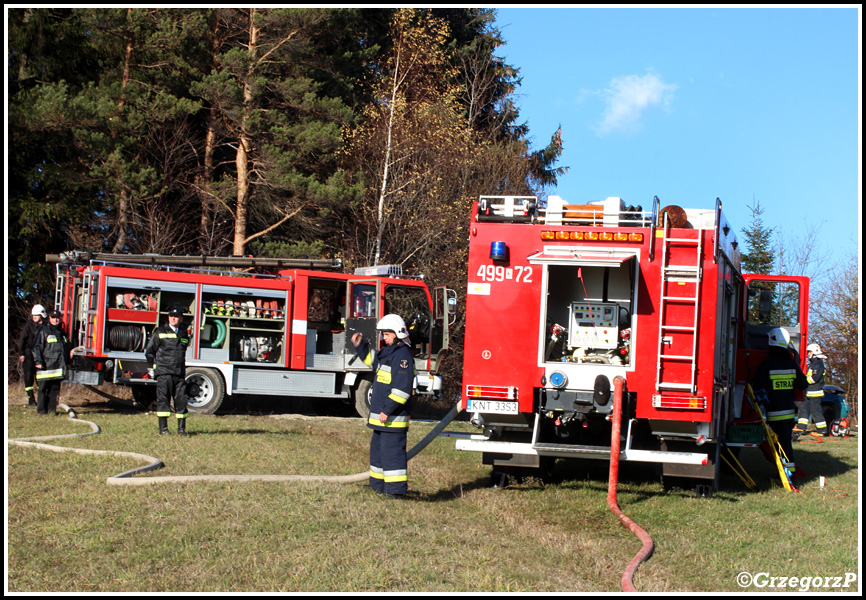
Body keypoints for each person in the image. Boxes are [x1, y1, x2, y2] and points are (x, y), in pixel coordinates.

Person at [351, 314, 415, 498]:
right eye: (383, 334)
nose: (384, 337)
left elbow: (402, 390)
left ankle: (395, 492)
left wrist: (387, 410)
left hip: (392, 419)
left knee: (392, 456)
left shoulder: (403, 357)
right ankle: (377, 486)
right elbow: (372, 360)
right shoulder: (388, 352)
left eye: (387, 334)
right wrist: (360, 345)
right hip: (382, 418)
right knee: (378, 454)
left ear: (398, 334)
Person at [751, 327, 808, 476]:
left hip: (774, 413)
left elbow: (756, 386)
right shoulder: (791, 364)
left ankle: (788, 475)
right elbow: (803, 384)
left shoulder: (767, 364)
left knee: (778, 446)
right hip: (789, 414)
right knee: (785, 445)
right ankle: (788, 472)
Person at [145, 305, 191, 435]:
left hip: (179, 373)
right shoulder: (159, 332)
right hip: (164, 372)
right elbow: (149, 352)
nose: (173, 319)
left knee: (181, 401)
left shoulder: (183, 333)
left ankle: (181, 429)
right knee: (163, 400)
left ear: (181, 319)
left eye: (176, 317)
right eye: (171, 316)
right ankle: (163, 429)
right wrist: (153, 368)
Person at [32, 309, 73, 415]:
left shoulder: (61, 332)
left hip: (58, 367)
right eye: (53, 318)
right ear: (49, 319)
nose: (56, 320)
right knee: (43, 389)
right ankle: (41, 411)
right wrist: (38, 361)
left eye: (57, 318)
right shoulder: (43, 331)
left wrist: (67, 363)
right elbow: (36, 347)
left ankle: (52, 410)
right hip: (45, 366)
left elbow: (66, 349)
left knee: (54, 390)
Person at [795, 343, 828, 437]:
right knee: (803, 408)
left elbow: (813, 379)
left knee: (815, 410)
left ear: (814, 353)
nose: (808, 354)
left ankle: (822, 430)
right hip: (809, 392)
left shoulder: (818, 365)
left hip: (815, 392)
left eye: (809, 352)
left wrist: (803, 380)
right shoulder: (814, 364)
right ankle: (801, 427)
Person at [18, 304, 47, 406]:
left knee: (40, 377)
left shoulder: (45, 327)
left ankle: (41, 398)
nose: (34, 317)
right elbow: (22, 340)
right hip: (29, 353)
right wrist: (21, 353)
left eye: (37, 315)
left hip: (41, 354)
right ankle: (31, 399)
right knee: (29, 376)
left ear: (42, 315)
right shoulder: (29, 326)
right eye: (33, 315)